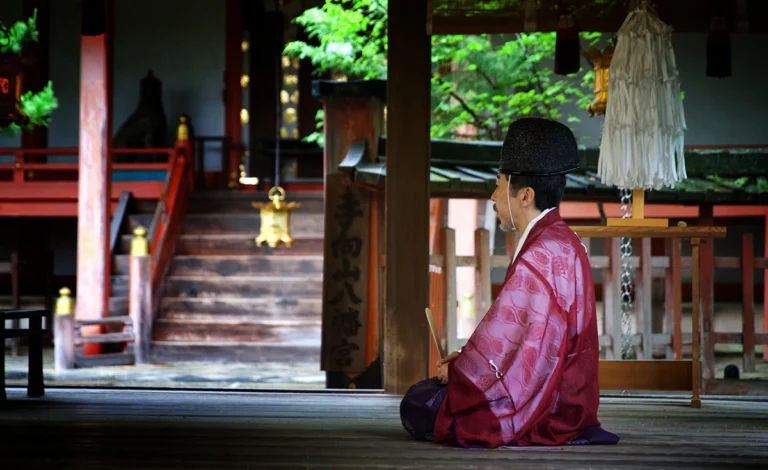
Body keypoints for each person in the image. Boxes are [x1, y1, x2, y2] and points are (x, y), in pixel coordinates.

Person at [400, 117, 619, 448]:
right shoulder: (562, 240)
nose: (493, 196)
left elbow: (521, 346)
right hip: (568, 395)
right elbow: (522, 339)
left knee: (418, 404)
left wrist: (459, 374)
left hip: (550, 405)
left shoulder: (543, 252)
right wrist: (464, 361)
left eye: (500, 185)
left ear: (525, 195)